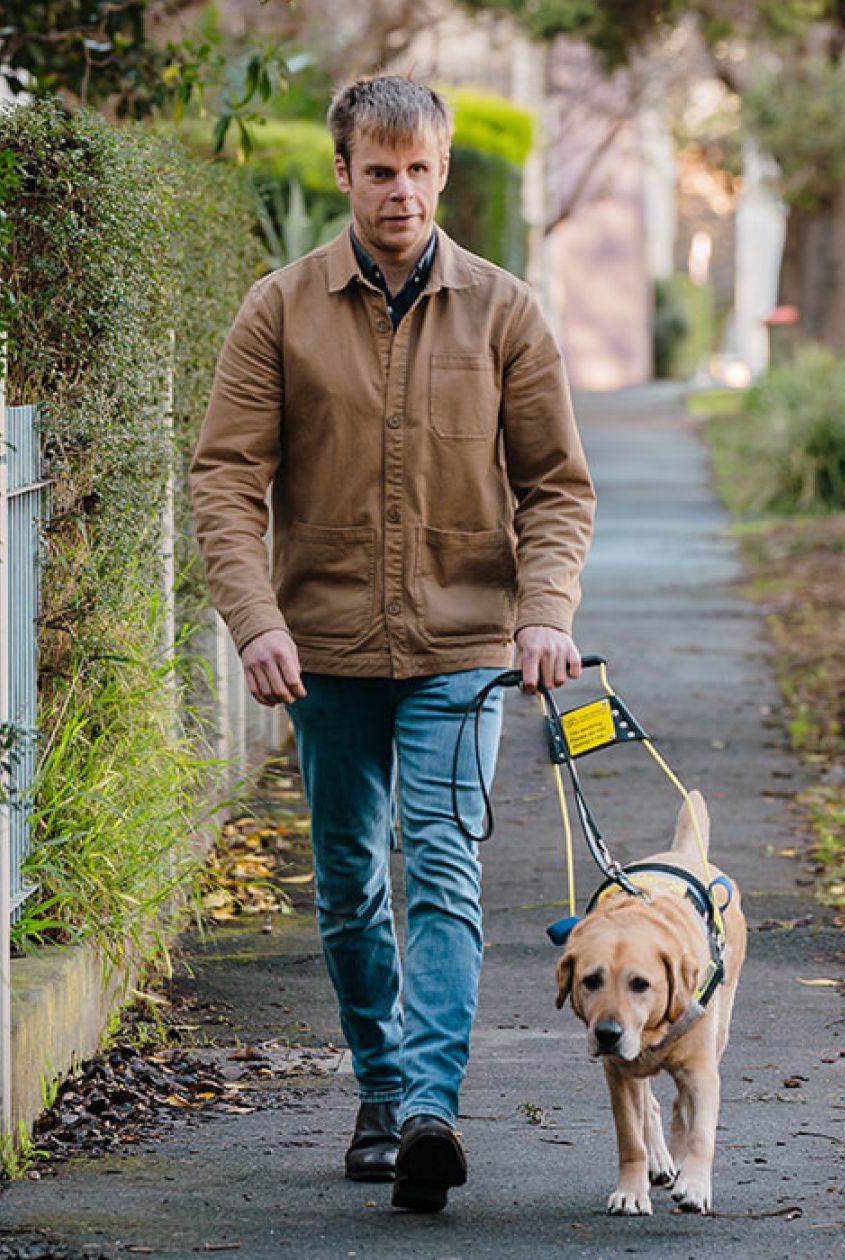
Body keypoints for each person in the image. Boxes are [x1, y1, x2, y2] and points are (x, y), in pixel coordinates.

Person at [190, 75, 594, 1214]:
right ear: (344, 175)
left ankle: (428, 1106)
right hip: (320, 650)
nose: (402, 192)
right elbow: (225, 478)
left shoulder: (506, 312)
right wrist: (256, 620)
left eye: (420, 170)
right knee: (348, 884)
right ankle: (378, 1086)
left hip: (466, 649)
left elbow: (557, 486)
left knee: (445, 867)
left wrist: (545, 610)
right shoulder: (279, 309)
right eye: (380, 170)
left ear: (445, 173)